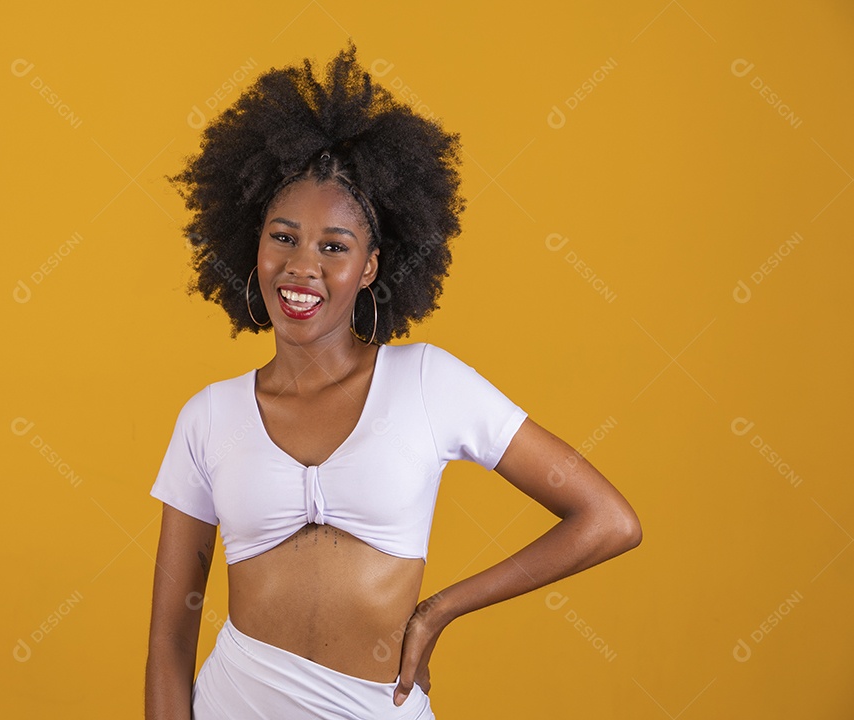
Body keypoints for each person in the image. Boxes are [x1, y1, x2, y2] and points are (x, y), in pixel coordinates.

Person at [145, 42, 642, 720]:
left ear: (372, 266)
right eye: (283, 237)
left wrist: (441, 609)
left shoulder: (429, 384)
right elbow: (170, 642)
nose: (302, 266)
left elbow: (608, 520)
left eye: (334, 247)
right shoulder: (207, 417)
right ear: (251, 243)